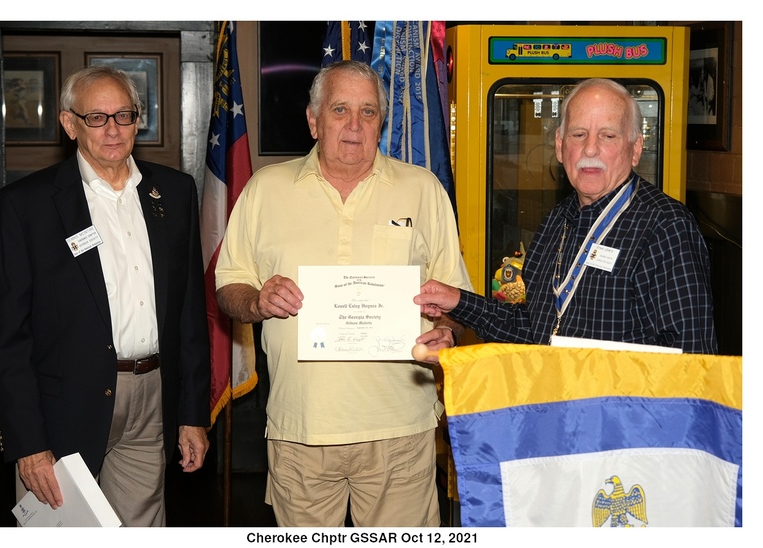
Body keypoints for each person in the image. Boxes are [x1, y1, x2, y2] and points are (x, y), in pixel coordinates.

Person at [214, 60, 472, 527]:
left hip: (400, 428)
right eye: (339, 110)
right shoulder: (265, 190)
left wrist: (448, 331)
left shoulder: (423, 190)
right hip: (301, 429)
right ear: (313, 120)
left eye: (368, 111)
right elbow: (228, 286)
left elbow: (455, 297)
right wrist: (255, 300)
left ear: (382, 122)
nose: (355, 124)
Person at [0, 65, 211, 526]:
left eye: (124, 115)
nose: (112, 129)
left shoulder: (174, 192)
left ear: (137, 120)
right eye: (96, 118)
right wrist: (27, 442)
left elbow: (189, 313)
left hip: (152, 397)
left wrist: (192, 414)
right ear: (70, 124)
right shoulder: (26, 204)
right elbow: (8, 336)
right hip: (62, 408)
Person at [415, 78, 717, 355]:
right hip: (556, 396)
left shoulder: (666, 226)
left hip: (618, 400)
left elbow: (692, 359)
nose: (590, 149)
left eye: (608, 135)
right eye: (579, 134)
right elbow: (538, 331)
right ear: (560, 146)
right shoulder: (555, 221)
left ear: (635, 148)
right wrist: (458, 301)